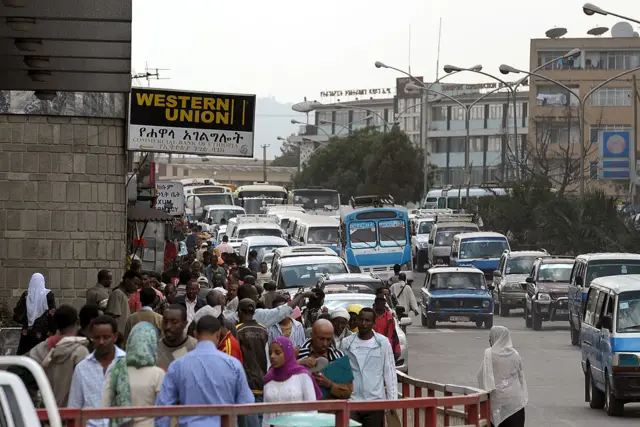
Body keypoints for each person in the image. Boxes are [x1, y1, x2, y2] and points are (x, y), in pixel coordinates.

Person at [154, 316, 255, 427]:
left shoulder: (177, 365)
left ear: (195, 334)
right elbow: (247, 402)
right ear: (218, 334)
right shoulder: (233, 365)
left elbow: (162, 409)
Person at [341, 308, 397, 427]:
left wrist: (392, 402)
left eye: (367, 320)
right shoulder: (346, 343)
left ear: (373, 323)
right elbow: (341, 372)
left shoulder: (383, 343)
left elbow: (389, 373)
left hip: (375, 402)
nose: (364, 323)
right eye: (361, 320)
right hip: (352, 401)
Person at [102, 322, 165, 427]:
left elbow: (104, 406)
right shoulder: (158, 374)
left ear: (130, 342)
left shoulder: (116, 370)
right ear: (153, 344)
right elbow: (163, 411)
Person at [68, 315, 126, 427]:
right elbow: (74, 406)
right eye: (97, 338)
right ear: (91, 337)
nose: (101, 342)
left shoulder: (127, 364)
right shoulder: (81, 368)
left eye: (106, 337)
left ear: (115, 337)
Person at [28, 305, 90, 407]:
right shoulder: (80, 352)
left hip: (48, 411)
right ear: (77, 323)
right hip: (71, 412)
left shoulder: (41, 348)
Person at [263, 336, 322, 427]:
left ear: (287, 353)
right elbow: (266, 416)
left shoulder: (303, 376)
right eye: (270, 353)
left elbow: (312, 411)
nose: (272, 356)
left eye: (277, 353)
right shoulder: (268, 379)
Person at [478, 326, 527, 427]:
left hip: (496, 400)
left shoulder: (489, 353)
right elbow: (520, 375)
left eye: (490, 338)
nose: (489, 340)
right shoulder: (515, 354)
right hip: (515, 402)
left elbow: (481, 375)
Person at [297, 319, 353, 400]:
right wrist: (299, 363)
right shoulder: (297, 353)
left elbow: (348, 392)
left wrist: (329, 384)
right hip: (304, 409)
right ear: (312, 335)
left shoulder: (339, 357)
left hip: (330, 410)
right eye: (321, 339)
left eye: (328, 339)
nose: (325, 344)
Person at [236, 298, 269, 427]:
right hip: (262, 381)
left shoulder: (237, 330)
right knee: (260, 418)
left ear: (239, 311)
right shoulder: (264, 330)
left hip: (246, 382)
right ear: (254, 312)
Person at [226, 283, 315, 329]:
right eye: (256, 296)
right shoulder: (260, 315)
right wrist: (301, 295)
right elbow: (284, 310)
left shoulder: (228, 319)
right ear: (249, 298)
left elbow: (284, 309)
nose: (259, 298)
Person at [14, 273, 56, 355]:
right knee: (41, 354)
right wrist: (53, 329)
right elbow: (52, 313)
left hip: (27, 329)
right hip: (43, 329)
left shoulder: (26, 294)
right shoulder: (48, 294)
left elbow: (19, 312)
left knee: (26, 354)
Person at [156, 305, 198, 372]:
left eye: (174, 322)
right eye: (165, 321)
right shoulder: (155, 348)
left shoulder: (195, 348)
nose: (168, 327)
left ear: (185, 324)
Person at [106, 270, 141, 347]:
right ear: (127, 280)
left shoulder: (123, 295)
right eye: (135, 283)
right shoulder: (117, 293)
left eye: (138, 285)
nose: (136, 288)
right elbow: (113, 318)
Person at [372, 295, 401, 361]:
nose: (380, 303)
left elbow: (394, 334)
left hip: (387, 350)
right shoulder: (370, 316)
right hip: (372, 350)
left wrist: (397, 351)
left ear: (385, 303)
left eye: (382, 301)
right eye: (378, 301)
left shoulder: (390, 317)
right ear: (375, 302)